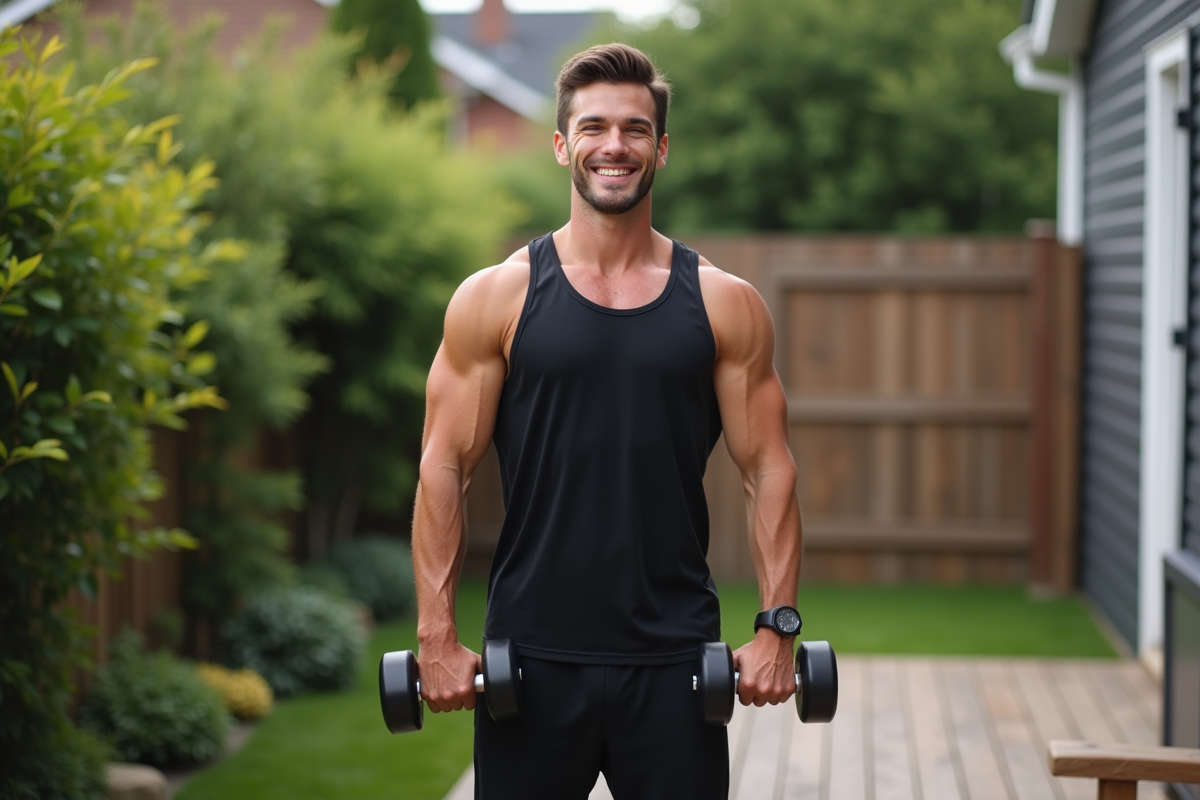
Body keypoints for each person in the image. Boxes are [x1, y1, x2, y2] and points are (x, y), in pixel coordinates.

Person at [411, 43, 803, 800]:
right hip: (528, 660)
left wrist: (776, 626)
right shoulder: (497, 298)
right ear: (563, 146)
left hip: (676, 661)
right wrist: (436, 635)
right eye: (593, 127)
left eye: (633, 128)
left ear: (662, 147)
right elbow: (443, 467)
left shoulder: (724, 304)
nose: (613, 146)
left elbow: (769, 468)